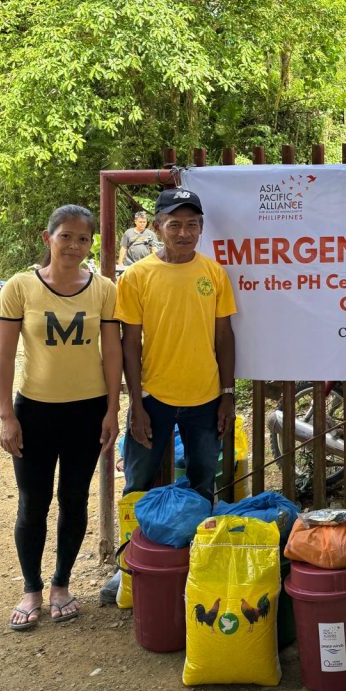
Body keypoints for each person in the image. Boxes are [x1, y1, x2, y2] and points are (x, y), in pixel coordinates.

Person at [0, 205, 122, 630]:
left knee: (74, 499)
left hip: (87, 411)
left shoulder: (103, 288)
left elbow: (113, 353)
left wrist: (111, 410)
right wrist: (6, 416)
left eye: (83, 239)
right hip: (34, 411)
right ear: (48, 238)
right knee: (33, 502)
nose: (74, 245)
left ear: (91, 244)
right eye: (65, 236)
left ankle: (61, 585)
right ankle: (31, 588)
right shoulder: (20, 287)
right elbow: (4, 357)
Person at [116, 187, 236, 504]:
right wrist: (136, 405)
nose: (184, 233)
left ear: (201, 227)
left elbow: (224, 337)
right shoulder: (136, 277)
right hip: (153, 398)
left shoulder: (215, 274)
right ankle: (134, 551)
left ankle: (193, 552)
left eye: (192, 224)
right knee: (137, 485)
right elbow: (129, 343)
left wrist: (227, 394)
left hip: (206, 398)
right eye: (174, 224)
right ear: (158, 227)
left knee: (202, 486)